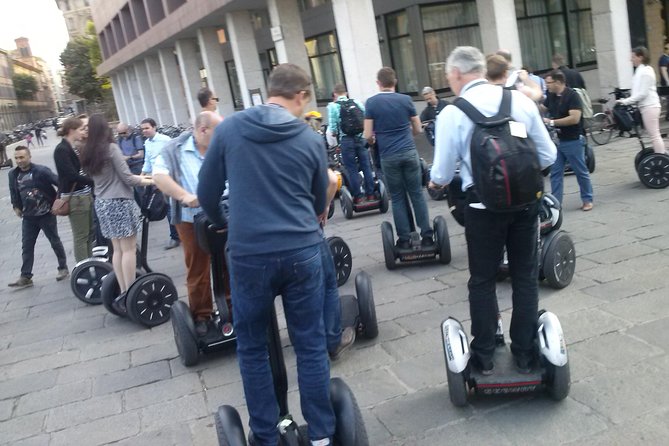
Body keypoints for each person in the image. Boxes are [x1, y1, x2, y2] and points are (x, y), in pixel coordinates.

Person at [198, 63, 335, 446]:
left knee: (253, 346)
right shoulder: (310, 140)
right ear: (302, 95)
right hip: (302, 250)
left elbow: (207, 192)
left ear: (268, 91)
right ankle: (322, 433)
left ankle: (265, 435)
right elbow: (316, 199)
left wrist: (224, 220)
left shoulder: (229, 130)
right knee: (309, 343)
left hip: (249, 254)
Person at [429, 46, 556, 375]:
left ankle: (484, 355)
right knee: (525, 277)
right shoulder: (520, 102)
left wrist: (443, 181)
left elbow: (441, 174)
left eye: (448, 77)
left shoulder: (452, 114)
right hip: (526, 205)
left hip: (482, 209)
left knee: (482, 280)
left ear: (456, 74)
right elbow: (548, 155)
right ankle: (526, 353)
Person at [153, 111, 223, 337]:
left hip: (223, 214)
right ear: (203, 130)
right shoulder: (175, 149)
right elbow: (159, 176)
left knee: (230, 264)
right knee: (198, 268)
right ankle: (202, 315)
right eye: (218, 131)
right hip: (190, 219)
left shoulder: (221, 148)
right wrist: (184, 196)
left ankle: (232, 309)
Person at [79, 114, 152, 310]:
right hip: (118, 201)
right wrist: (151, 180)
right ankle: (131, 292)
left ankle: (123, 291)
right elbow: (128, 178)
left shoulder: (87, 152)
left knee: (118, 250)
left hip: (102, 203)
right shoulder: (110, 149)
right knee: (129, 249)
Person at [363, 67, 434, 248]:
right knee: (417, 194)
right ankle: (427, 235)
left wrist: (374, 140)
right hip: (409, 153)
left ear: (378, 83)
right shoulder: (405, 100)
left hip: (389, 157)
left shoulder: (371, 103)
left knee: (397, 197)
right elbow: (418, 129)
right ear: (395, 82)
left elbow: (367, 135)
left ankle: (404, 239)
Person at [8, 146, 69, 288]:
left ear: (29, 156)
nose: (19, 160)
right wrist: (15, 206)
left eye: (22, 157)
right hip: (28, 217)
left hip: (45, 214)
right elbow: (13, 191)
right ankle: (26, 276)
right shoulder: (13, 174)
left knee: (54, 240)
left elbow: (60, 183)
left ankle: (63, 268)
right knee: (27, 246)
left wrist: (57, 202)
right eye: (16, 158)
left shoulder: (41, 171)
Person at [543, 70, 594, 210]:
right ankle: (556, 203)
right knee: (555, 173)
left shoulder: (572, 96)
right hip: (557, 140)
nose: (546, 86)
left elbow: (574, 118)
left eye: (549, 83)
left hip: (572, 140)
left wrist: (552, 122)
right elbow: (542, 107)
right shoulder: (552, 95)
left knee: (580, 171)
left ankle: (587, 199)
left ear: (558, 82)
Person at [53, 116, 96, 262]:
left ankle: (90, 263)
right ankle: (83, 267)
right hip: (76, 197)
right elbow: (70, 175)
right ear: (71, 130)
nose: (83, 132)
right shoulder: (61, 149)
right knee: (81, 235)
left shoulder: (72, 147)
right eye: (80, 129)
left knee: (89, 233)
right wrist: (92, 181)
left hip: (83, 195)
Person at [327, 83, 376, 203]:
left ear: (335, 94)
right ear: (346, 93)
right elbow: (366, 117)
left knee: (351, 168)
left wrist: (334, 133)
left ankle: (358, 197)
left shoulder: (333, 106)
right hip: (360, 138)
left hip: (346, 141)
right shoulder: (357, 102)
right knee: (366, 166)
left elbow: (333, 128)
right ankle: (371, 194)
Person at [617, 46, 666, 154]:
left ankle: (662, 157)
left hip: (650, 106)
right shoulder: (640, 71)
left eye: (633, 57)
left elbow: (642, 94)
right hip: (646, 107)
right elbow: (637, 92)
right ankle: (661, 156)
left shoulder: (646, 71)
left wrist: (626, 101)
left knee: (654, 135)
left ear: (641, 57)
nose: (631, 59)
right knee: (653, 134)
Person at [140, 118, 180, 250]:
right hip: (154, 179)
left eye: (147, 128)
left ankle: (175, 237)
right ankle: (177, 235)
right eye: (143, 129)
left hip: (166, 178)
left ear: (154, 127)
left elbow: (174, 157)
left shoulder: (165, 140)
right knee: (168, 207)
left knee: (170, 208)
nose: (144, 131)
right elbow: (148, 160)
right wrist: (142, 175)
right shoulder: (147, 143)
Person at [658, 43, 669, 120]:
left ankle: (668, 115)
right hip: (666, 83)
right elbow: (663, 70)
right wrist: (668, 81)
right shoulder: (663, 58)